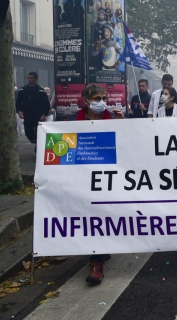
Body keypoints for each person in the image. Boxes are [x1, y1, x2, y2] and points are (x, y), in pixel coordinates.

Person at [71, 84, 124, 283]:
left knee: (101, 213)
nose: (102, 102)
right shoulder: (70, 121)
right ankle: (98, 255)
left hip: (107, 177)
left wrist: (121, 124)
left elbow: (128, 144)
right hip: (82, 176)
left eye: (104, 98)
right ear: (86, 100)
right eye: (96, 98)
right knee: (90, 214)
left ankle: (97, 259)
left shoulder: (112, 117)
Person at [16, 72, 50, 147]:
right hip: (27, 114)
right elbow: (18, 102)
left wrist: (44, 114)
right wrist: (19, 111)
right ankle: (34, 140)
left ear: (36, 79)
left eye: (31, 78)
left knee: (39, 131)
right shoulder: (23, 90)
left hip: (38, 114)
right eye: (28, 78)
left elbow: (46, 104)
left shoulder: (40, 91)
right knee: (28, 132)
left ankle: (38, 146)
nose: (29, 80)